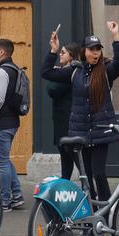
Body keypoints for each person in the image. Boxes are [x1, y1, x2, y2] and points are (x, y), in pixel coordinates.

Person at [42, 22, 119, 201]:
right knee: (86, 178)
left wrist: (116, 36)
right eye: (91, 49)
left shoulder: (105, 71)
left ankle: (106, 214)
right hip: (80, 131)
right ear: (83, 51)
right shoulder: (75, 71)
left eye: (97, 49)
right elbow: (47, 72)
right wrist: (53, 51)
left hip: (100, 130)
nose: (95, 53)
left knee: (99, 174)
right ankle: (91, 215)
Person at [0, 38, 25, 212]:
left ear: (2, 52)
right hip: (11, 121)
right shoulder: (14, 69)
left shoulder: (2, 71)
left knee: (1, 163)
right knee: (4, 160)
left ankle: (4, 202)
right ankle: (16, 196)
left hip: (2, 123)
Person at [44, 41, 78, 180]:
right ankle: (65, 187)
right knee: (66, 159)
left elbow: (52, 89)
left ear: (72, 56)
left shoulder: (69, 73)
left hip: (68, 124)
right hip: (62, 122)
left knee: (74, 158)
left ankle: (89, 192)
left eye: (63, 52)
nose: (60, 54)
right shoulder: (65, 71)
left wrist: (57, 74)